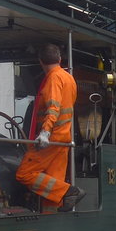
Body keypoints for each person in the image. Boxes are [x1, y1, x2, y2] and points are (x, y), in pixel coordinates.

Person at [17, 42, 84, 211]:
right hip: (63, 138)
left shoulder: (54, 78)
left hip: (51, 139)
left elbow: (53, 108)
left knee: (24, 174)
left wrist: (45, 132)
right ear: (60, 59)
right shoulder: (68, 78)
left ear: (40, 61)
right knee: (52, 188)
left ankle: (69, 191)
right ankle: (53, 224)